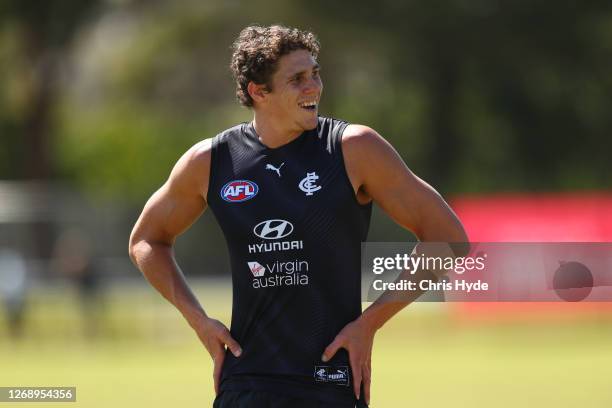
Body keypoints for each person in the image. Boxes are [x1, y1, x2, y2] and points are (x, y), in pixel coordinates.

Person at [129, 25, 467, 408]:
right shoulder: (210, 162)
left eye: (315, 74)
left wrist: (369, 323)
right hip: (246, 382)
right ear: (259, 92)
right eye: (297, 80)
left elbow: (448, 238)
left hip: (330, 381)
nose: (314, 88)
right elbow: (146, 241)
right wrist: (199, 321)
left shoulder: (353, 149)